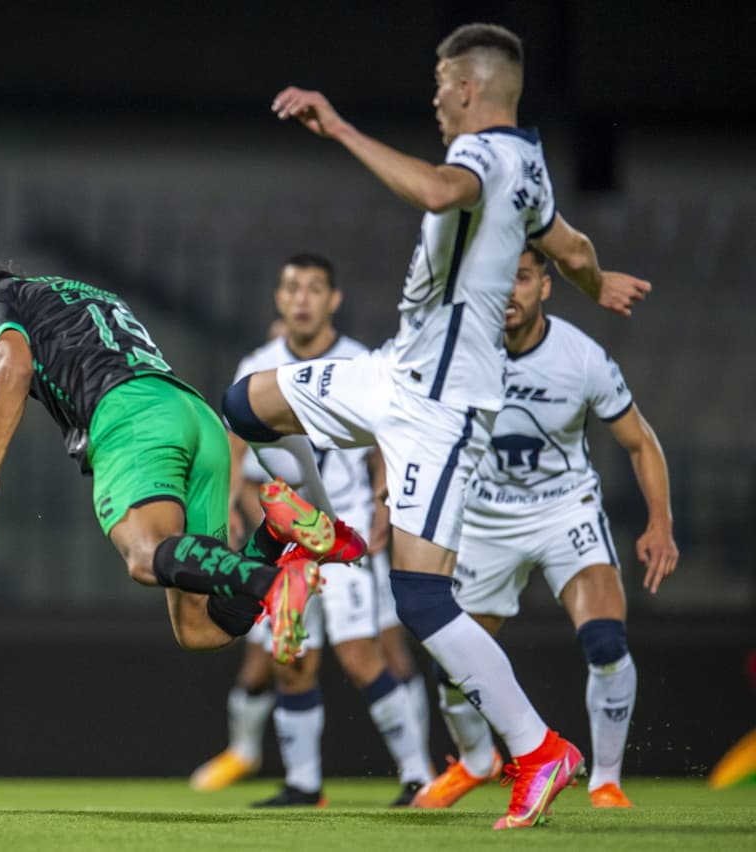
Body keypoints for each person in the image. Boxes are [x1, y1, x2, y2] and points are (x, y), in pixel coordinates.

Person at [224, 23, 651, 829]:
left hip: (441, 408)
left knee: (420, 600)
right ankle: (318, 527)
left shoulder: (483, 159)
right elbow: (574, 244)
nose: (433, 103)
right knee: (245, 402)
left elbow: (435, 192)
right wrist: (598, 286)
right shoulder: (531, 166)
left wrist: (339, 126)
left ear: (464, 89)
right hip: (392, 372)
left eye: (437, 88)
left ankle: (538, 751)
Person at [0, 265, 361, 663]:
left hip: (132, 418)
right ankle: (274, 533)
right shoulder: (84, 294)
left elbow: (13, 365)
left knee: (145, 556)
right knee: (201, 629)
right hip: (194, 416)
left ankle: (274, 584)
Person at [411, 247, 677, 810]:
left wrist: (661, 522)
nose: (510, 292)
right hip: (482, 519)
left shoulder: (580, 358)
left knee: (605, 642)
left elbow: (640, 440)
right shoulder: (457, 351)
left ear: (546, 287)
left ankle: (606, 781)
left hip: (564, 511)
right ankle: (478, 761)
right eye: (499, 280)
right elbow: (407, 414)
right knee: (452, 665)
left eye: (524, 279)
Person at [189, 253, 432, 807]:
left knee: (361, 656)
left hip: (343, 542)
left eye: (314, 288)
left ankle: (418, 776)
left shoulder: (361, 363)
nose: (302, 298)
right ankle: (305, 784)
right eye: (292, 287)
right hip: (286, 544)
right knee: (290, 661)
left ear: (333, 299)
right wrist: (229, 502)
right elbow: (235, 441)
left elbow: (385, 441)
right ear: (279, 299)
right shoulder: (259, 362)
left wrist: (383, 504)